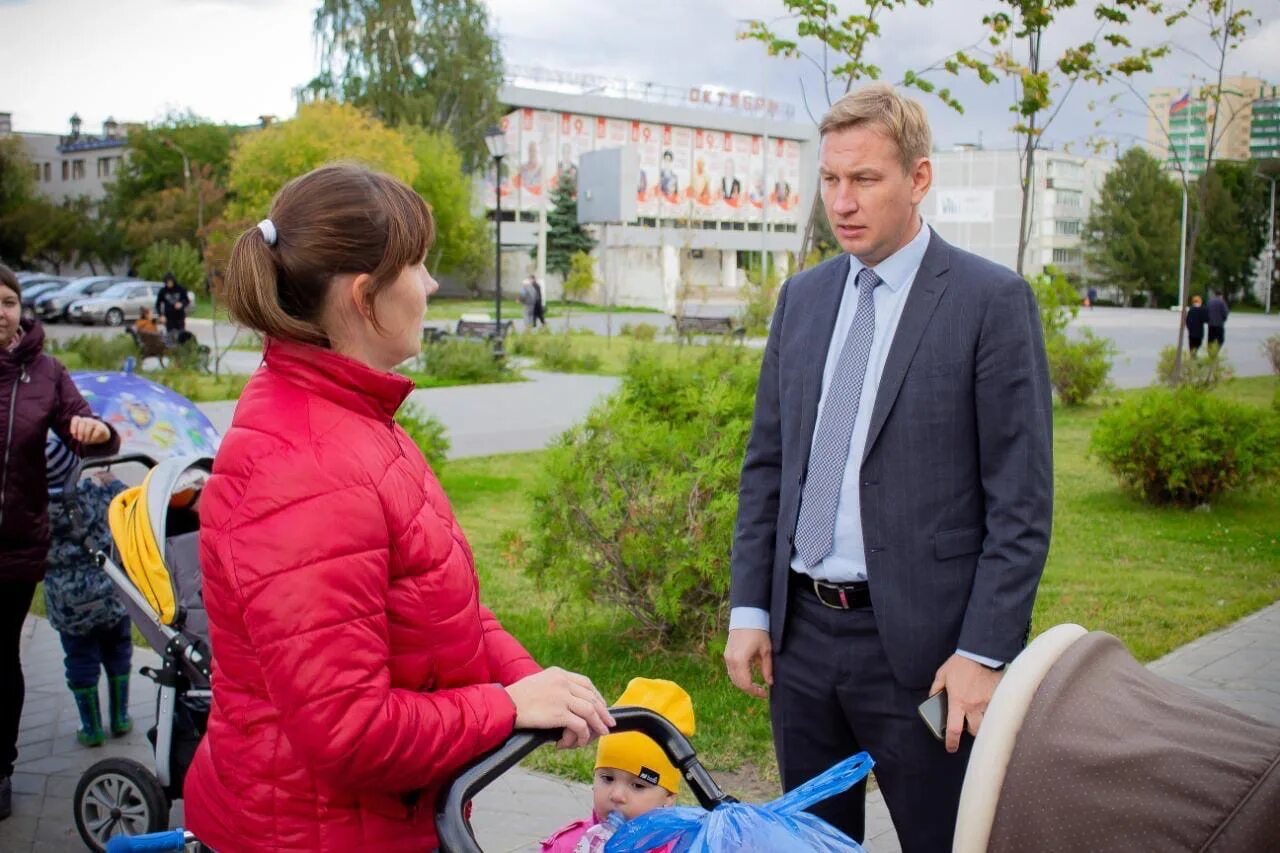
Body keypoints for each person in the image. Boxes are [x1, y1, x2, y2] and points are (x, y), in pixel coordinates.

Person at [181, 164, 614, 852]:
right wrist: (504, 706)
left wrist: (527, 677)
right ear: (364, 296)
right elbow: (348, 730)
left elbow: (440, 598)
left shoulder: (352, 418)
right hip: (308, 834)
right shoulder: (306, 469)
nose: (432, 283)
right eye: (416, 264)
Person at [723, 84, 1053, 853]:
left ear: (919, 178)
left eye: (866, 179)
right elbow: (767, 463)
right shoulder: (802, 299)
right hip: (801, 643)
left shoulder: (989, 301)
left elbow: (1021, 503)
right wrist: (751, 611)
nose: (843, 200)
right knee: (812, 844)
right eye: (832, 179)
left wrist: (982, 652)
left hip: (926, 657)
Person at [1, 263, 119, 822]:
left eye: (6, 302)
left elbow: (86, 424)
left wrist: (94, 430)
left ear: (19, 310)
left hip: (16, 545)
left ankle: (1, 769)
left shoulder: (46, 373)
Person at [42, 435, 133, 747]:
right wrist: (112, 481)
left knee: (80, 659)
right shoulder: (95, 494)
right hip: (111, 592)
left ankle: (91, 727)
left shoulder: (35, 511)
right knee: (118, 651)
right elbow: (128, 503)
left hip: (68, 604)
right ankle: (120, 718)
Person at [540, 678, 693, 853]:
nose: (617, 795)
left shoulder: (685, 848)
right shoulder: (567, 845)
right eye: (607, 778)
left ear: (669, 797)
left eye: (638, 785)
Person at [155, 271, 188, 337]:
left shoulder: (180, 289)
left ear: (173, 281)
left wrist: (181, 304)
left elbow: (187, 300)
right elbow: (157, 304)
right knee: (171, 336)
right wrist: (161, 315)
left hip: (179, 316)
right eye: (167, 282)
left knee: (181, 335)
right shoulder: (163, 291)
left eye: (170, 282)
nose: (169, 284)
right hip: (169, 317)